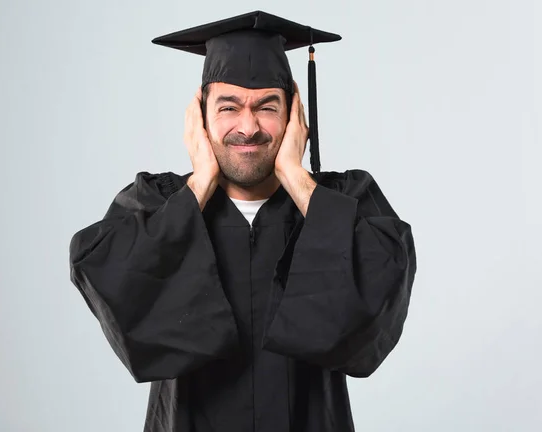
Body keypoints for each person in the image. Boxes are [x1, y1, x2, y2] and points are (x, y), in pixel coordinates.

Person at [68, 10, 417, 432]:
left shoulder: (340, 201)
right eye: (228, 107)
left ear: (293, 115)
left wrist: (296, 177)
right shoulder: (158, 203)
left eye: (267, 107)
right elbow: (106, 276)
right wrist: (198, 186)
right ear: (201, 117)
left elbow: (381, 291)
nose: (248, 127)